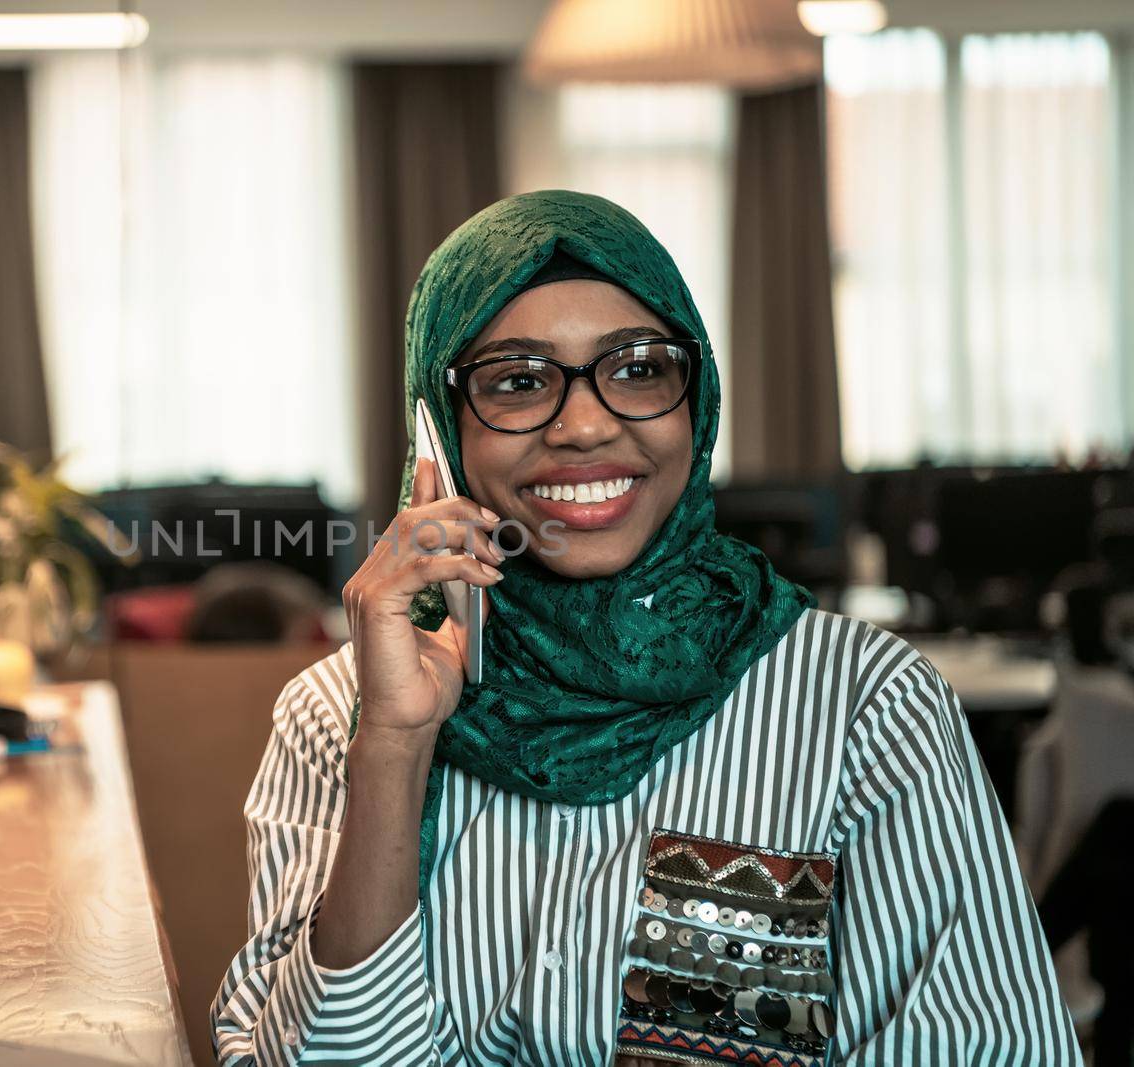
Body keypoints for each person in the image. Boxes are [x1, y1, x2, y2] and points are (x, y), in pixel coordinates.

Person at [211, 191, 1077, 1065]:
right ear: (438, 428)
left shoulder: (862, 708)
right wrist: (393, 747)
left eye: (637, 368)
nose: (586, 425)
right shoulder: (336, 716)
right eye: (517, 380)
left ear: (694, 403)